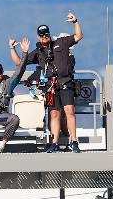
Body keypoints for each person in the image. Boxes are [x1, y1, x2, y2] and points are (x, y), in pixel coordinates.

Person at [11, 12, 84, 152]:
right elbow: (19, 63)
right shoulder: (38, 51)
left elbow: (78, 36)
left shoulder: (61, 42)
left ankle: (74, 141)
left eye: (47, 34)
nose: (45, 37)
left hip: (65, 82)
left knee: (69, 110)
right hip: (51, 86)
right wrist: (12, 48)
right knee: (54, 113)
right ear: (38, 37)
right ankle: (54, 142)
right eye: (42, 35)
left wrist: (75, 22)